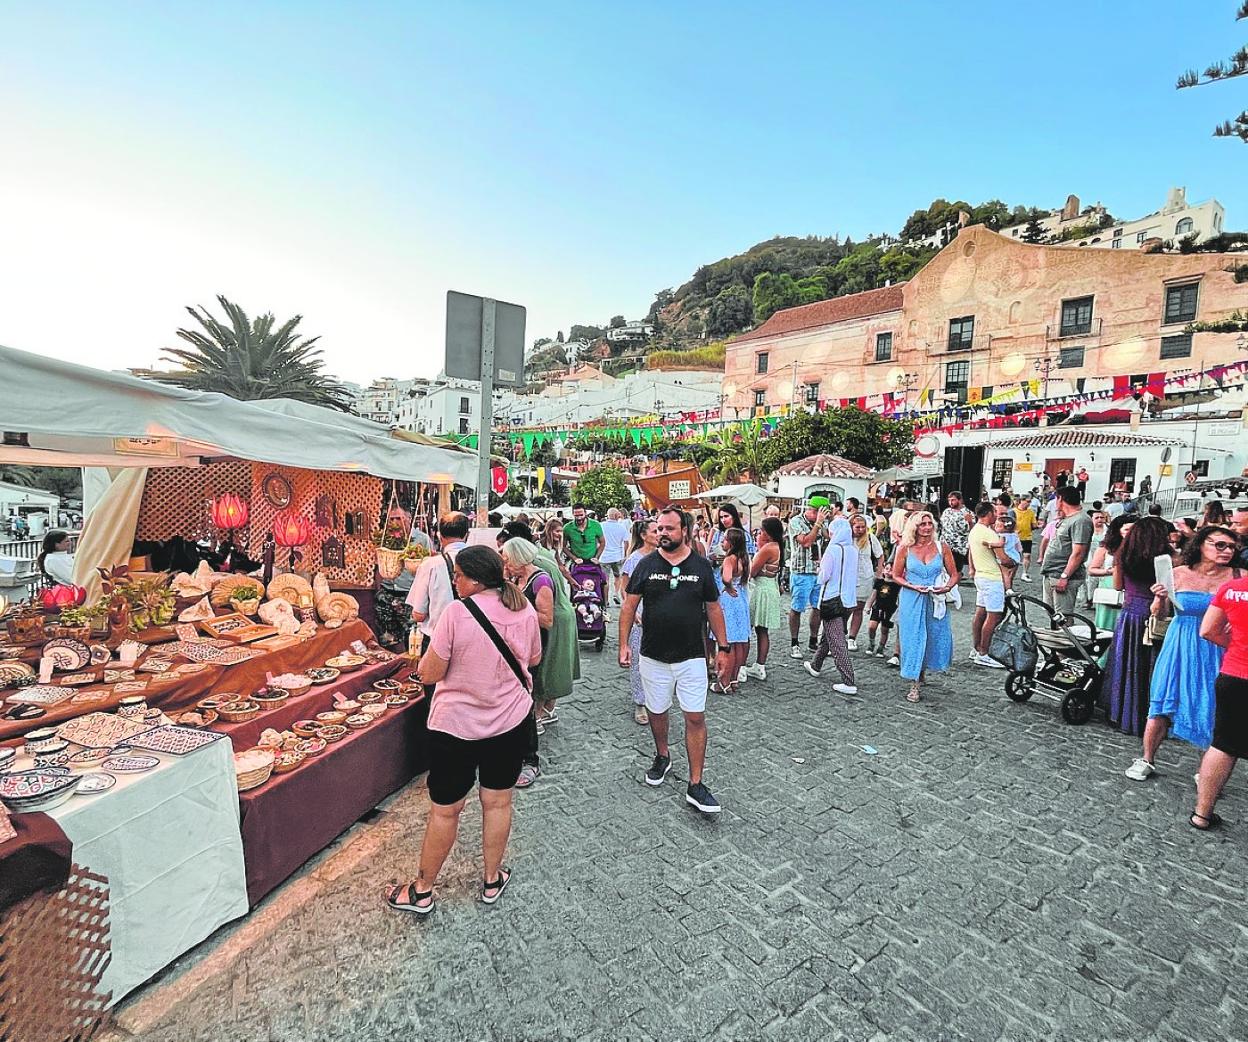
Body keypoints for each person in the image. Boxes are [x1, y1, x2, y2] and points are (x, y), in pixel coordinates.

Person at [385, 546, 541, 916]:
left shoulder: (456, 613)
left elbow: (430, 672)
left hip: (455, 728)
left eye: (457, 575)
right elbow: (532, 659)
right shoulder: (524, 610)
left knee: (445, 810)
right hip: (508, 722)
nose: (454, 581)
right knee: (499, 801)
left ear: (474, 579)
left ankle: (422, 890)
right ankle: (491, 879)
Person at [619, 506, 729, 814]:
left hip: (692, 656)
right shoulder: (645, 564)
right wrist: (624, 645)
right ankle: (663, 755)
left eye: (669, 528)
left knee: (695, 716)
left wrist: (724, 648)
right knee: (657, 711)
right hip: (653, 656)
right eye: (659, 528)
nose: (662, 533)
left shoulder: (702, 566)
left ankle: (696, 784)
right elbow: (629, 607)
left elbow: (714, 609)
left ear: (685, 531)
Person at [1126, 526, 1239, 781]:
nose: (1227, 551)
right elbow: (1161, 614)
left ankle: (1206, 769)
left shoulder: (1240, 577)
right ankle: (1147, 758)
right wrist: (1159, 599)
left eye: (1232, 547)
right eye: (1220, 545)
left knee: (1211, 704)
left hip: (1217, 645)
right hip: (1180, 642)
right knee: (1163, 698)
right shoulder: (1177, 573)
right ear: (1201, 544)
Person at [1103, 516, 1173, 737]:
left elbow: (1117, 585)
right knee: (1151, 665)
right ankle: (1151, 717)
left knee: (1128, 663)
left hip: (1130, 611)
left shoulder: (1122, 556)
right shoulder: (1166, 559)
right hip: (1154, 611)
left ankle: (1123, 711)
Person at [1191, 569, 1248, 830]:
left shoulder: (1232, 589)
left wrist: (1236, 644)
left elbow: (1208, 631)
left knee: (1223, 744)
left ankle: (1201, 814)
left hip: (1234, 674)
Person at [500, 538, 554, 789]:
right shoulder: (515, 580)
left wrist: (519, 608)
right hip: (512, 648)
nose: (506, 563)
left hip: (531, 647)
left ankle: (530, 758)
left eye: (508, 558)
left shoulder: (541, 581)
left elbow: (547, 619)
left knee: (526, 700)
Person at [893, 512, 958, 703]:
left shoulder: (941, 547)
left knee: (933, 636)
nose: (927, 527)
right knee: (914, 638)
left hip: (934, 599)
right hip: (911, 598)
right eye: (923, 524)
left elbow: (954, 574)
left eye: (930, 523)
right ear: (915, 527)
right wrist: (912, 586)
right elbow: (897, 575)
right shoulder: (904, 548)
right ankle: (915, 683)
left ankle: (922, 671)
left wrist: (946, 587)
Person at [803, 518, 859, 694]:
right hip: (848, 601)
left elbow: (823, 577)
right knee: (830, 635)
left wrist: (820, 568)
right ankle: (815, 665)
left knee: (836, 640)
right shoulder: (853, 550)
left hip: (832, 599)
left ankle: (848, 681)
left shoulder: (832, 550)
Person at [407, 512, 470, 656]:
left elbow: (419, 615)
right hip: (472, 640)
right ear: (467, 534)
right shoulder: (481, 561)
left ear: (439, 536)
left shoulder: (430, 565)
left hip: (437, 642)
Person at [620, 518, 659, 724]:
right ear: (644, 536)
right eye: (655, 531)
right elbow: (624, 589)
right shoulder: (634, 559)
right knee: (638, 659)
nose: (659, 534)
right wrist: (632, 611)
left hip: (660, 612)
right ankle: (640, 701)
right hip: (640, 611)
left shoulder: (664, 557)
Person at [967, 502, 1008, 668]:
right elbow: (1003, 558)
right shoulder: (989, 534)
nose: (997, 516)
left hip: (981, 575)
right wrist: (1011, 561)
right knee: (994, 615)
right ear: (989, 513)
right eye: (995, 512)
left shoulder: (975, 530)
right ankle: (984, 652)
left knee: (980, 613)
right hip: (992, 577)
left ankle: (976, 647)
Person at [787, 501, 830, 658]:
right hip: (801, 571)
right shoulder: (796, 521)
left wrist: (826, 524)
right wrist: (818, 524)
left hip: (818, 572)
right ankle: (794, 643)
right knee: (797, 608)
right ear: (811, 510)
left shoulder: (822, 522)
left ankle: (813, 640)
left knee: (818, 608)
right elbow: (806, 542)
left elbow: (829, 538)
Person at [1039, 487, 1093, 614]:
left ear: (1061, 499)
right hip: (1052, 573)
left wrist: (1065, 576)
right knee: (1052, 614)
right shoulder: (1068, 518)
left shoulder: (1081, 520)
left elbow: (1078, 552)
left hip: (1063, 575)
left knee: (1062, 617)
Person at [713, 528, 752, 694]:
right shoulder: (744, 558)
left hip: (730, 600)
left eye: (724, 539)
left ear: (731, 542)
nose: (722, 542)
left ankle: (724, 682)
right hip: (741, 600)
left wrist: (727, 587)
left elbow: (726, 578)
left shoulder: (730, 559)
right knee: (738, 644)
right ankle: (734, 679)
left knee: (727, 643)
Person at [747, 516, 784, 681]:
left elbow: (752, 572)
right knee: (762, 630)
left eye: (761, 531)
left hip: (761, 589)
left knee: (756, 629)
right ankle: (760, 665)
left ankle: (752, 666)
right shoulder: (777, 546)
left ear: (768, 533)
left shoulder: (768, 548)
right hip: (769, 588)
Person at [847, 514, 883, 651]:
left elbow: (880, 555)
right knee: (845, 609)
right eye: (857, 527)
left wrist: (879, 572)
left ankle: (852, 638)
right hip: (848, 577)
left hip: (864, 577)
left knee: (858, 608)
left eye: (863, 527)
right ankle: (840, 634)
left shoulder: (870, 538)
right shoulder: (847, 538)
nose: (861, 530)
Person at [599, 508, 631, 605]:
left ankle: (605, 601)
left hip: (604, 557)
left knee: (605, 580)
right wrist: (625, 554)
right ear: (618, 516)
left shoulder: (601, 526)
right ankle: (616, 594)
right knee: (618, 577)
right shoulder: (621, 527)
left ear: (607, 515)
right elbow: (626, 542)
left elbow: (598, 541)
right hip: (617, 556)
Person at [939, 491, 972, 578]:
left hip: (958, 547)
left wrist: (970, 522)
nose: (950, 502)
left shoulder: (967, 513)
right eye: (949, 500)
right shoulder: (947, 511)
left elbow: (971, 530)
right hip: (945, 545)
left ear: (960, 500)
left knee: (955, 569)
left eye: (953, 500)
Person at [1013, 496, 1037, 582]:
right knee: (1014, 556)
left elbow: (1034, 524)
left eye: (1030, 502)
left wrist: (1035, 526)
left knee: (1027, 555)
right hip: (1016, 537)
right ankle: (1011, 573)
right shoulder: (1014, 511)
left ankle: (1024, 573)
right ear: (1022, 501)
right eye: (1027, 501)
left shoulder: (1031, 512)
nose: (1029, 503)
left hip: (1027, 537)